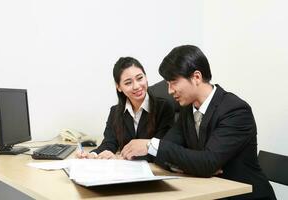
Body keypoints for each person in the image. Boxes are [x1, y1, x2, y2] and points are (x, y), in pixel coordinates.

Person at [120, 45, 276, 199]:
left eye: (173, 82)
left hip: (245, 195)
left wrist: (150, 145)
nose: (169, 90)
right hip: (211, 191)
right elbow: (166, 153)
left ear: (196, 77)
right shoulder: (187, 110)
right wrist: (194, 166)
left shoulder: (235, 110)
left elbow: (207, 162)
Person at [77, 57, 174, 160]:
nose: (136, 86)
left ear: (146, 77)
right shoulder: (115, 111)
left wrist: (120, 158)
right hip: (125, 171)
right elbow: (109, 143)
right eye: (128, 83)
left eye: (140, 78)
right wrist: (92, 155)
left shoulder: (164, 107)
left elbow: (161, 147)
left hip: (154, 170)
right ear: (118, 87)